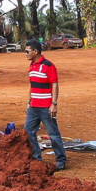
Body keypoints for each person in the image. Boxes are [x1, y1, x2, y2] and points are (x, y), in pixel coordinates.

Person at [24, 39, 66, 171]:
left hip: (46, 106)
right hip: (34, 106)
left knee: (53, 134)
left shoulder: (48, 66)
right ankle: (37, 159)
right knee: (28, 131)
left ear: (35, 51)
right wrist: (29, 101)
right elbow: (32, 85)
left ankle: (60, 160)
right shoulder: (32, 66)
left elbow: (54, 84)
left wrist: (54, 104)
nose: (25, 54)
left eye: (27, 51)